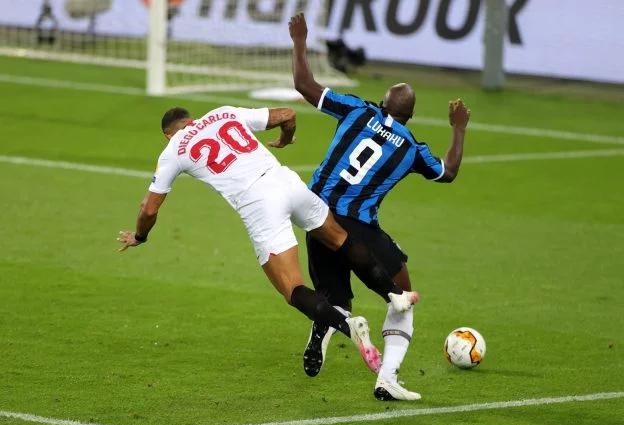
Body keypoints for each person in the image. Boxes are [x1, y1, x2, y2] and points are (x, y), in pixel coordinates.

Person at [116, 105, 420, 374]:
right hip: (288, 182)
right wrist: (286, 137)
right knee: (341, 239)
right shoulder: (223, 113)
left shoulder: (173, 149)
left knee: (292, 288)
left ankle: (347, 325)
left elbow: (149, 208)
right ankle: (395, 294)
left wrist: (140, 236)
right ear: (191, 119)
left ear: (168, 135)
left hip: (260, 204)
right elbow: (287, 114)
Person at [287, 13, 471, 400]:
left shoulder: (357, 109)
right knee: (401, 295)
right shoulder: (411, 147)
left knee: (338, 302)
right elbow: (449, 171)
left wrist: (300, 40)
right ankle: (387, 377)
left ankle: (324, 325)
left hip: (316, 216)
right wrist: (458, 128)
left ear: (382, 103)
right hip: (358, 228)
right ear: (410, 116)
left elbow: (304, 85)